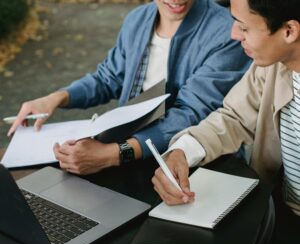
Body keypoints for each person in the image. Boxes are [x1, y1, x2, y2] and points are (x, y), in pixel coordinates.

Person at [7, 0, 250, 175]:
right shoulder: (138, 19)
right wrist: (56, 98)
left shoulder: (227, 32)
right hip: (124, 150)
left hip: (189, 163)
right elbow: (108, 78)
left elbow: (191, 114)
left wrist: (112, 154)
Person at [151, 0, 300, 215]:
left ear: (289, 31)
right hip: (276, 209)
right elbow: (234, 118)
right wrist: (181, 152)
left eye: (244, 27)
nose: (235, 35)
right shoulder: (272, 66)